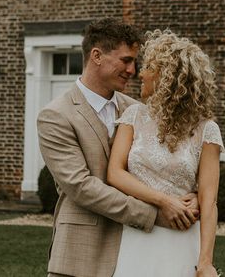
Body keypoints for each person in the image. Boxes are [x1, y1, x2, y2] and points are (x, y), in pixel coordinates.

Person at [37, 19, 198, 277]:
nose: (133, 70)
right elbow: (81, 186)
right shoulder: (56, 115)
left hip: (139, 249)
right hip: (83, 250)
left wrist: (193, 195)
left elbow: (168, 162)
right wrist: (155, 214)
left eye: (135, 62)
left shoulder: (138, 111)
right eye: (126, 60)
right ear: (97, 56)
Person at [107, 30, 224, 277]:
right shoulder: (133, 117)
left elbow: (209, 201)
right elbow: (115, 173)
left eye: (148, 67)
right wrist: (164, 201)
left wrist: (205, 262)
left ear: (166, 76)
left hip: (180, 239)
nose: (140, 73)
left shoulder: (207, 130)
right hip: (136, 236)